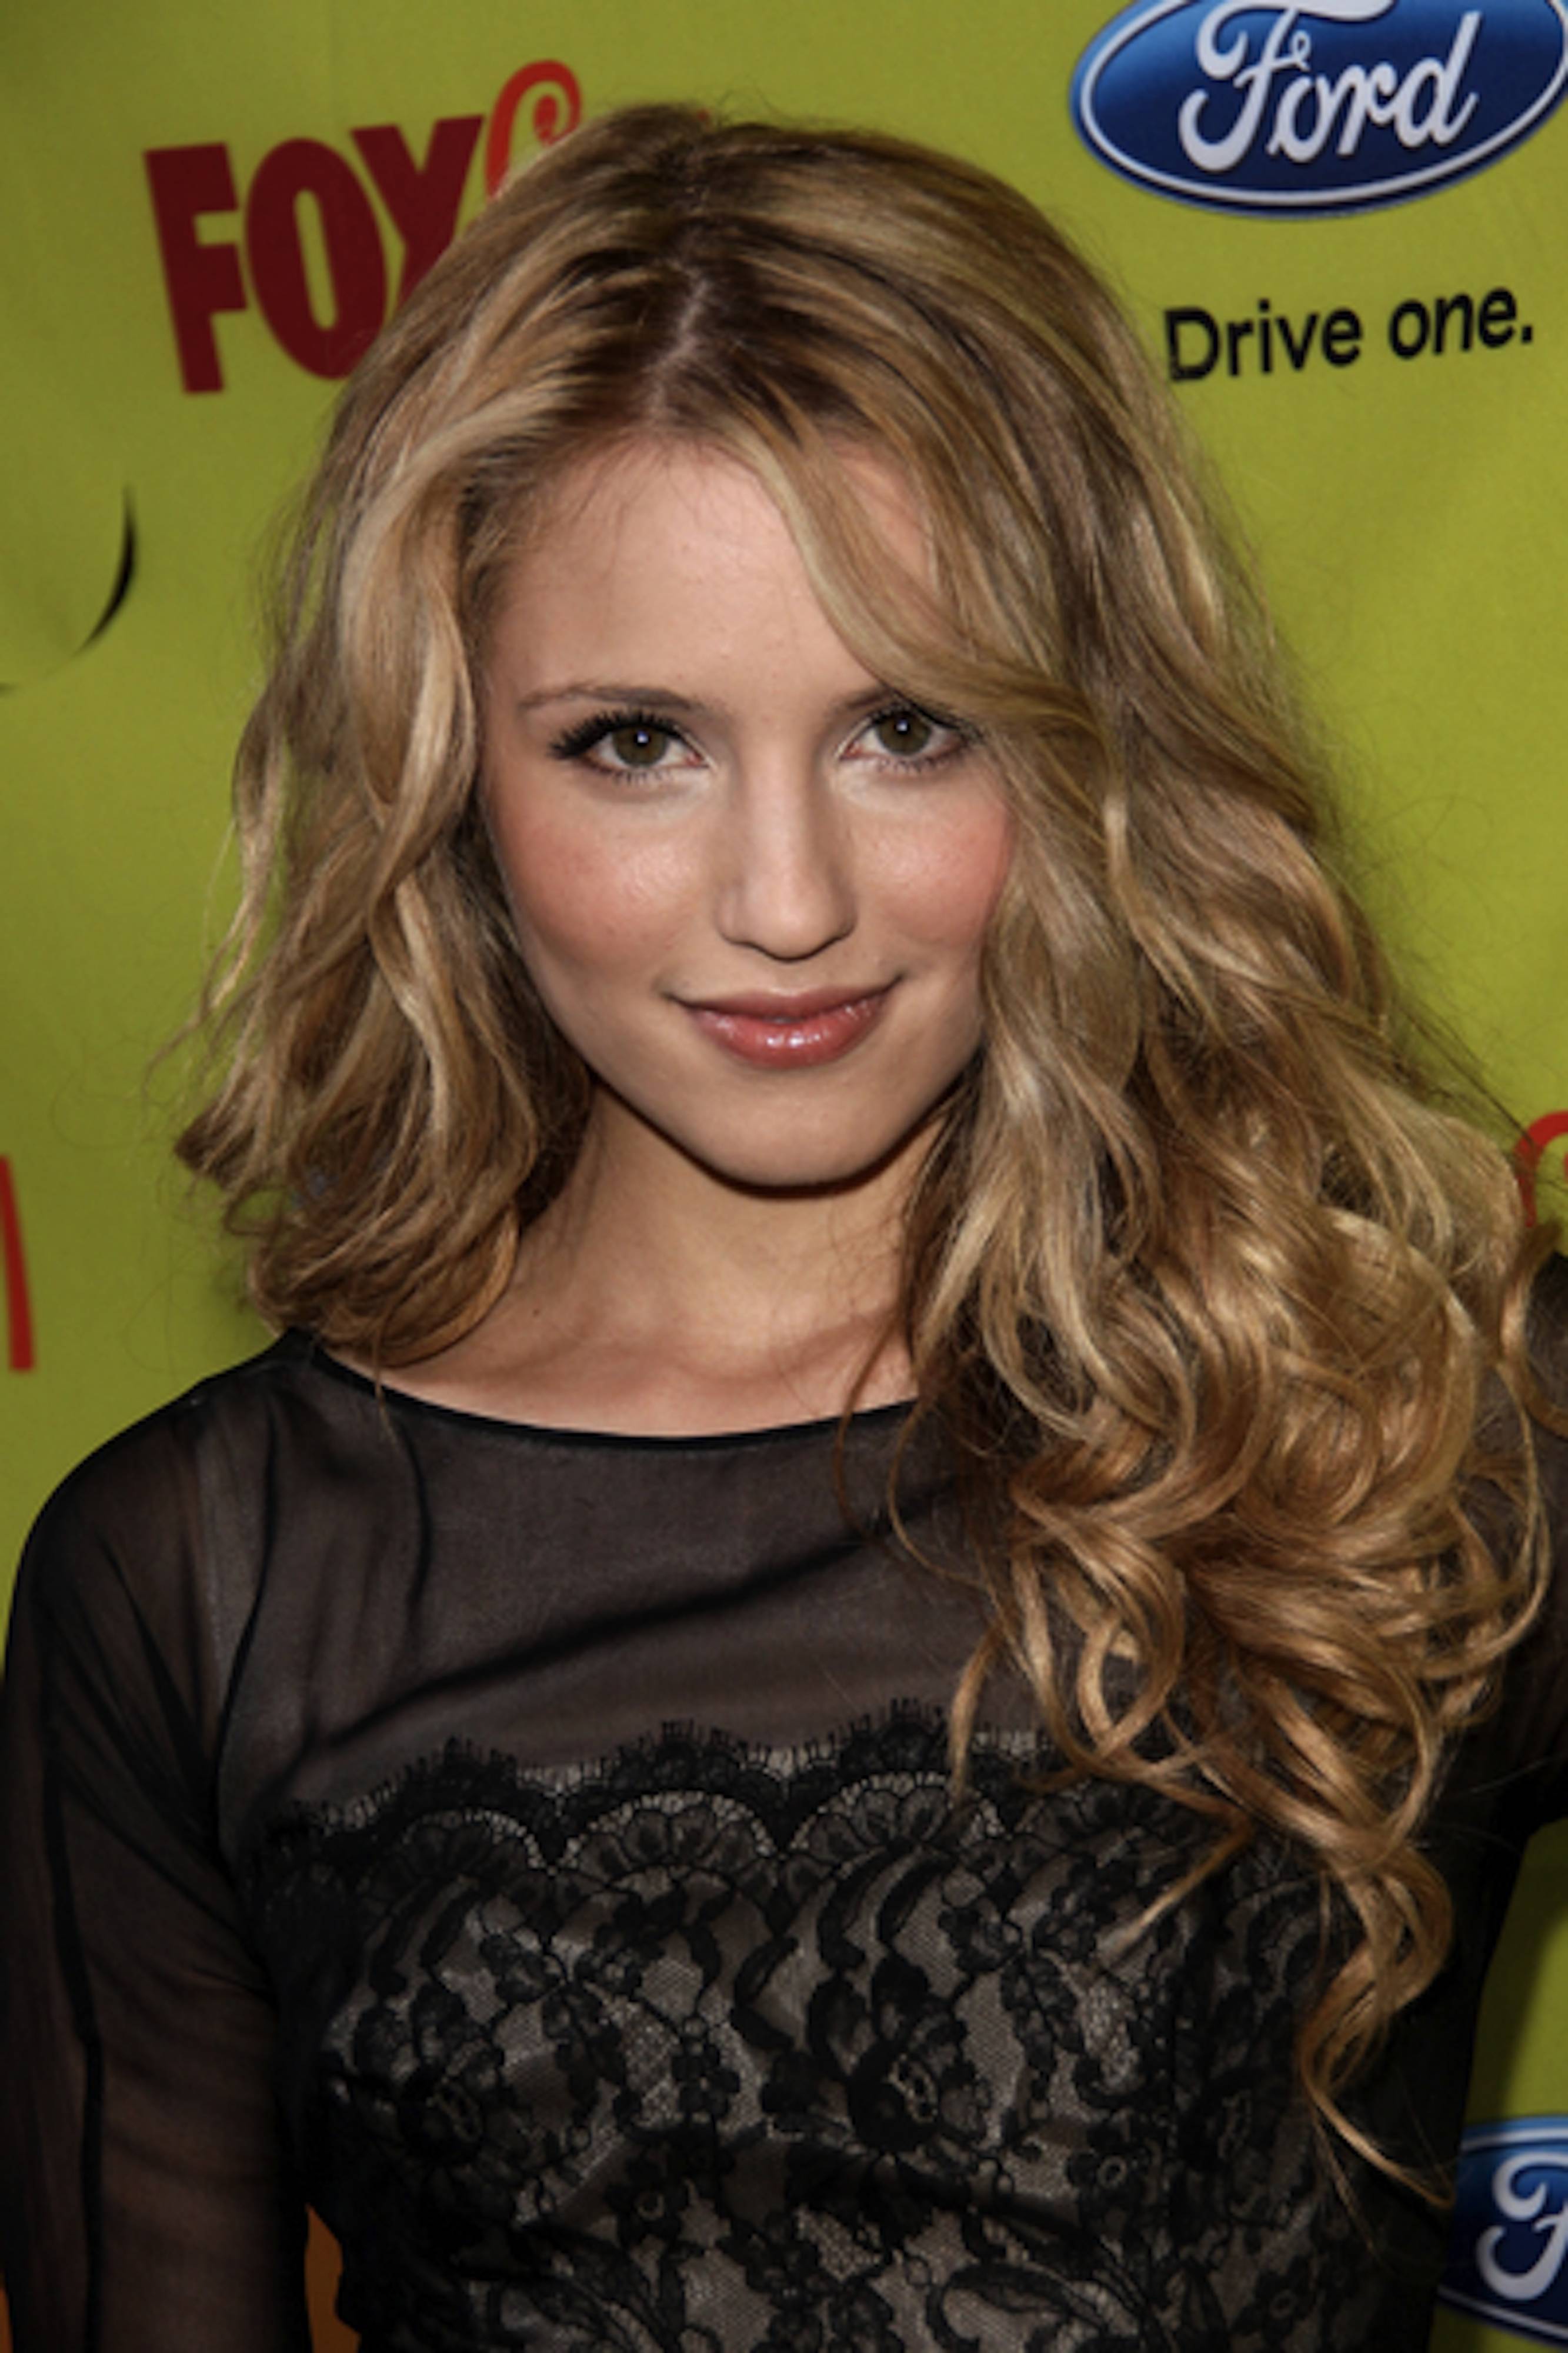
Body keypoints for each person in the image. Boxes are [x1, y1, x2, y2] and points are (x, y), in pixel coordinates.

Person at [1, 102, 1564, 2353]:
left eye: (906, 726)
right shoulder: (202, 1586)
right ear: (446, 769)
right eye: (634, 742)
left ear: (1089, 745)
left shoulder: (1425, 1421)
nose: (787, 901)